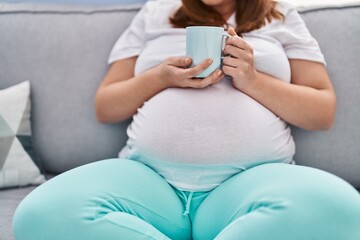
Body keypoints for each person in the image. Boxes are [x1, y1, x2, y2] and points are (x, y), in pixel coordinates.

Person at [13, 0, 360, 239]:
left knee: (343, 208)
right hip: (149, 179)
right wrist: (158, 78)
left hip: (249, 183)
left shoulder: (279, 13)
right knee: (40, 213)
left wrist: (253, 80)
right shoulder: (158, 10)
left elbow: (321, 111)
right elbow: (106, 106)